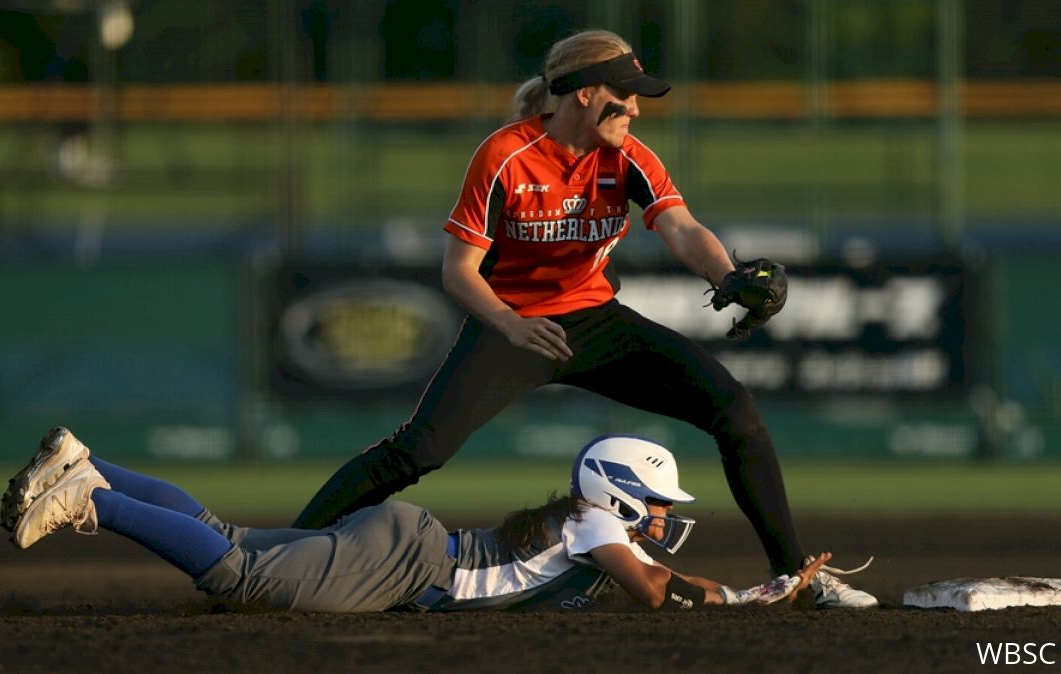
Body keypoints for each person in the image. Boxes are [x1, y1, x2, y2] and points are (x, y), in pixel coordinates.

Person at [287, 29, 876, 609]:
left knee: (736, 411)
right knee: (418, 452)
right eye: (626, 95)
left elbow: (682, 227)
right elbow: (458, 272)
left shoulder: (625, 157)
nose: (636, 110)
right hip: (512, 327)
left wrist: (726, 276)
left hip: (596, 322)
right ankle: (278, 557)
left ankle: (798, 577)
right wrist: (510, 324)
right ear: (584, 93)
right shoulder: (505, 156)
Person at [0, 427, 845, 612]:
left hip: (408, 546)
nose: (663, 516)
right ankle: (92, 501)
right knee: (238, 574)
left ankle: (92, 463)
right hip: (408, 566)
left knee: (230, 536)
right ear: (619, 491)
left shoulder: (588, 523)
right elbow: (656, 592)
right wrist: (750, 597)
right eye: (657, 501)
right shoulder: (599, 528)